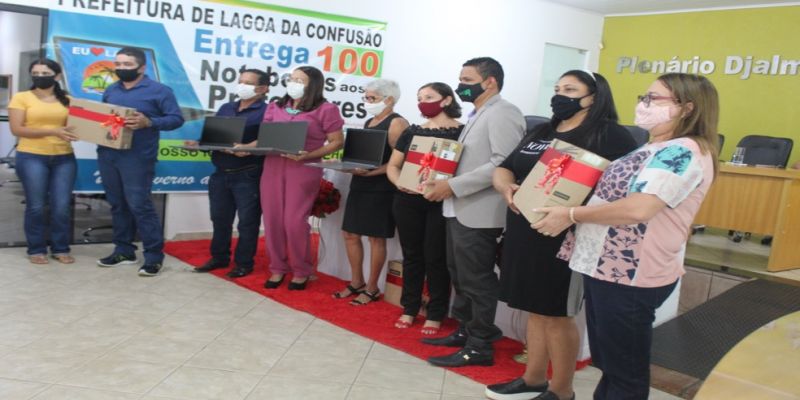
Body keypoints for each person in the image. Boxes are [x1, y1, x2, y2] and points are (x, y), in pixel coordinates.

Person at [533, 73, 719, 400]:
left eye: (654, 99)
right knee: (611, 363)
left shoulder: (682, 151)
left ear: (687, 107)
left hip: (631, 272)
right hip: (607, 265)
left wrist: (572, 214)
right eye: (644, 97)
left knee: (624, 372)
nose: (644, 104)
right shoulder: (655, 145)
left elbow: (639, 209)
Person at [486, 70, 638, 400]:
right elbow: (505, 167)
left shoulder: (611, 135)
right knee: (535, 309)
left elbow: (622, 189)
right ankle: (533, 379)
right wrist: (505, 187)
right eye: (557, 89)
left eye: (570, 89)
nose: (560, 96)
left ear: (593, 97)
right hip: (524, 229)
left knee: (556, 313)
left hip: (566, 236)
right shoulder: (543, 130)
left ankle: (562, 390)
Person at [422, 57, 525, 367]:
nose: (460, 86)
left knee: (476, 279)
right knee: (460, 274)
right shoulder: (478, 112)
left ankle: (480, 345)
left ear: (490, 81)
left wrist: (453, 186)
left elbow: (503, 164)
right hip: (460, 207)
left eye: (467, 80)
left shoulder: (504, 112)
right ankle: (465, 331)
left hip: (480, 210)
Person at [254, 66, 344, 290]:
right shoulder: (276, 106)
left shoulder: (326, 109)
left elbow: (336, 142)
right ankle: (277, 268)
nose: (293, 83)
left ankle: (301, 270)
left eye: (299, 80)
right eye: (291, 79)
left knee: (294, 222)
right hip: (273, 166)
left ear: (313, 85)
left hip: (303, 168)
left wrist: (310, 155)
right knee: (272, 220)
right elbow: (264, 138)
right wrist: (244, 147)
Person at [96, 47, 184, 276]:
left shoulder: (159, 91)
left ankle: (154, 256)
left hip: (137, 157)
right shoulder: (111, 90)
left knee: (139, 205)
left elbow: (176, 119)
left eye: (127, 64)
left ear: (142, 67)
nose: (121, 68)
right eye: (118, 64)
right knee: (117, 204)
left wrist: (150, 122)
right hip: (108, 154)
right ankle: (124, 251)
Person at [385, 82, 462, 335]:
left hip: (441, 202)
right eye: (420, 97)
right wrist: (401, 183)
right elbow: (393, 166)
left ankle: (436, 312)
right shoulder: (412, 131)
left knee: (436, 258)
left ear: (446, 100)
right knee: (412, 256)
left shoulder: (462, 132)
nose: (423, 102)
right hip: (407, 201)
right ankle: (409, 307)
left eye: (429, 97)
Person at [333, 79, 409, 305]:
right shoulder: (369, 120)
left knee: (376, 238)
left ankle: (372, 287)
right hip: (360, 183)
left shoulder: (397, 123)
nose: (367, 102)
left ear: (389, 99)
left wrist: (375, 172)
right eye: (365, 97)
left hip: (382, 188)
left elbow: (402, 161)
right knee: (350, 234)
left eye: (372, 98)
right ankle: (357, 281)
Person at [191, 69, 269, 279]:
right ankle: (219, 257)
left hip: (248, 174)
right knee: (220, 219)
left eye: (248, 83)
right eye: (240, 81)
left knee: (247, 222)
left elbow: (268, 139)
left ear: (262, 88)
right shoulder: (226, 107)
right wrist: (199, 143)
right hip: (220, 173)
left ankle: (244, 263)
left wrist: (247, 147)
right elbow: (216, 136)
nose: (242, 86)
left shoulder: (267, 111)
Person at [7, 59, 77, 265]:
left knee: (61, 206)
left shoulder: (68, 100)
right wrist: (53, 131)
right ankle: (36, 249)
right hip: (32, 156)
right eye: (35, 73)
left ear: (57, 76)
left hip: (64, 157)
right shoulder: (21, 98)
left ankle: (60, 248)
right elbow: (17, 129)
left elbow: (75, 127)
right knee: (36, 206)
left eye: (45, 73)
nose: (39, 76)